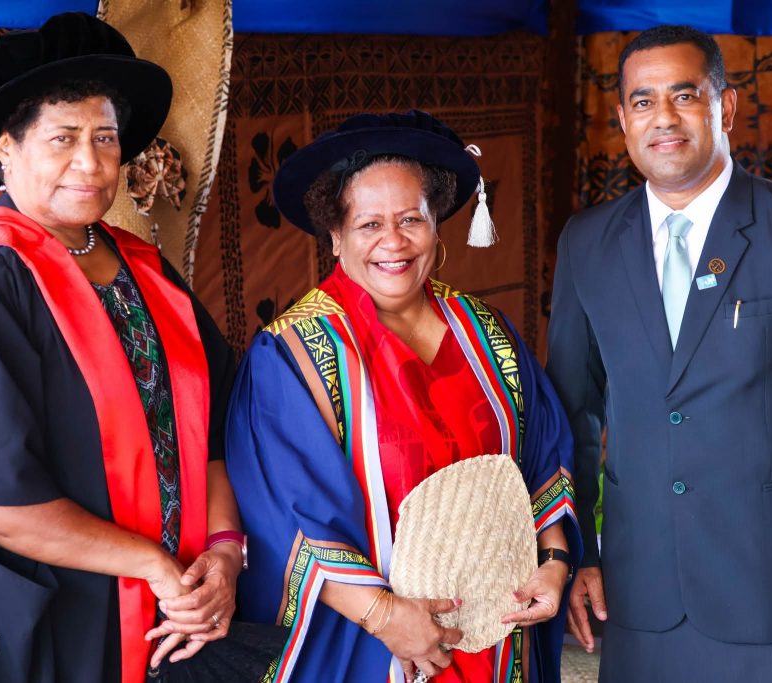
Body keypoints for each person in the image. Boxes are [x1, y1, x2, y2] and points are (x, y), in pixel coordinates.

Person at [0, 13, 245, 683]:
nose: (91, 162)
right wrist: (152, 564)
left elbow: (219, 433)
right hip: (56, 629)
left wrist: (222, 556)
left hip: (181, 620)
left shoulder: (151, 274)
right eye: (63, 138)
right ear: (7, 151)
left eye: (105, 138)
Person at [547, 24, 772, 681]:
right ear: (623, 118)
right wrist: (575, 554)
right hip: (639, 592)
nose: (665, 118)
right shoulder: (588, 244)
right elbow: (571, 414)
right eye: (644, 101)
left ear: (726, 107)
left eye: (684, 96)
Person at [225, 110, 582, 682]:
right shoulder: (294, 356)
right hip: (374, 645)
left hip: (495, 634)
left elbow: (539, 457)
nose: (393, 242)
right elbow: (288, 514)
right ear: (335, 235)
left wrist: (555, 560)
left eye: (411, 219)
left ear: (436, 224)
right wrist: (386, 616)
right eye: (369, 225)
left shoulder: (486, 332)